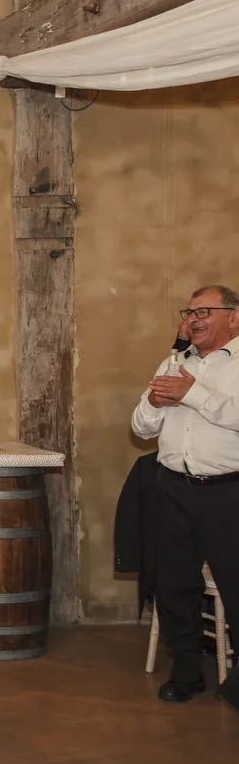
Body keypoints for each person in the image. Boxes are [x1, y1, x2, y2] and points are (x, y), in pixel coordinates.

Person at [131, 284, 239, 712]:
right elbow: (140, 428)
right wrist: (156, 403)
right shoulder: (174, 361)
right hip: (173, 487)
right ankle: (186, 670)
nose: (193, 319)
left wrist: (191, 394)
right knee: (174, 582)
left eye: (204, 311)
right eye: (189, 312)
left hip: (228, 491)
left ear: (234, 316)